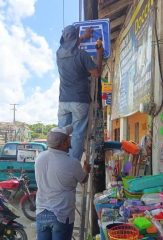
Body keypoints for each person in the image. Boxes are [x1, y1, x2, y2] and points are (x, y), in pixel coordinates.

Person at [56, 25, 104, 161]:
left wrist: (83, 37)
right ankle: (72, 164)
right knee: (77, 134)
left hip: (63, 101)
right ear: (76, 38)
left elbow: (71, 45)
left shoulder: (58, 54)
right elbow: (97, 73)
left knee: (62, 133)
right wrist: (100, 54)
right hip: (79, 100)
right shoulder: (82, 55)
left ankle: (60, 161)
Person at [35, 125, 91, 240]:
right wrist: (86, 169)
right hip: (61, 214)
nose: (71, 139)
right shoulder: (72, 163)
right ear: (64, 144)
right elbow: (83, 179)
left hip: (41, 213)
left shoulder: (40, 158)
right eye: (68, 137)